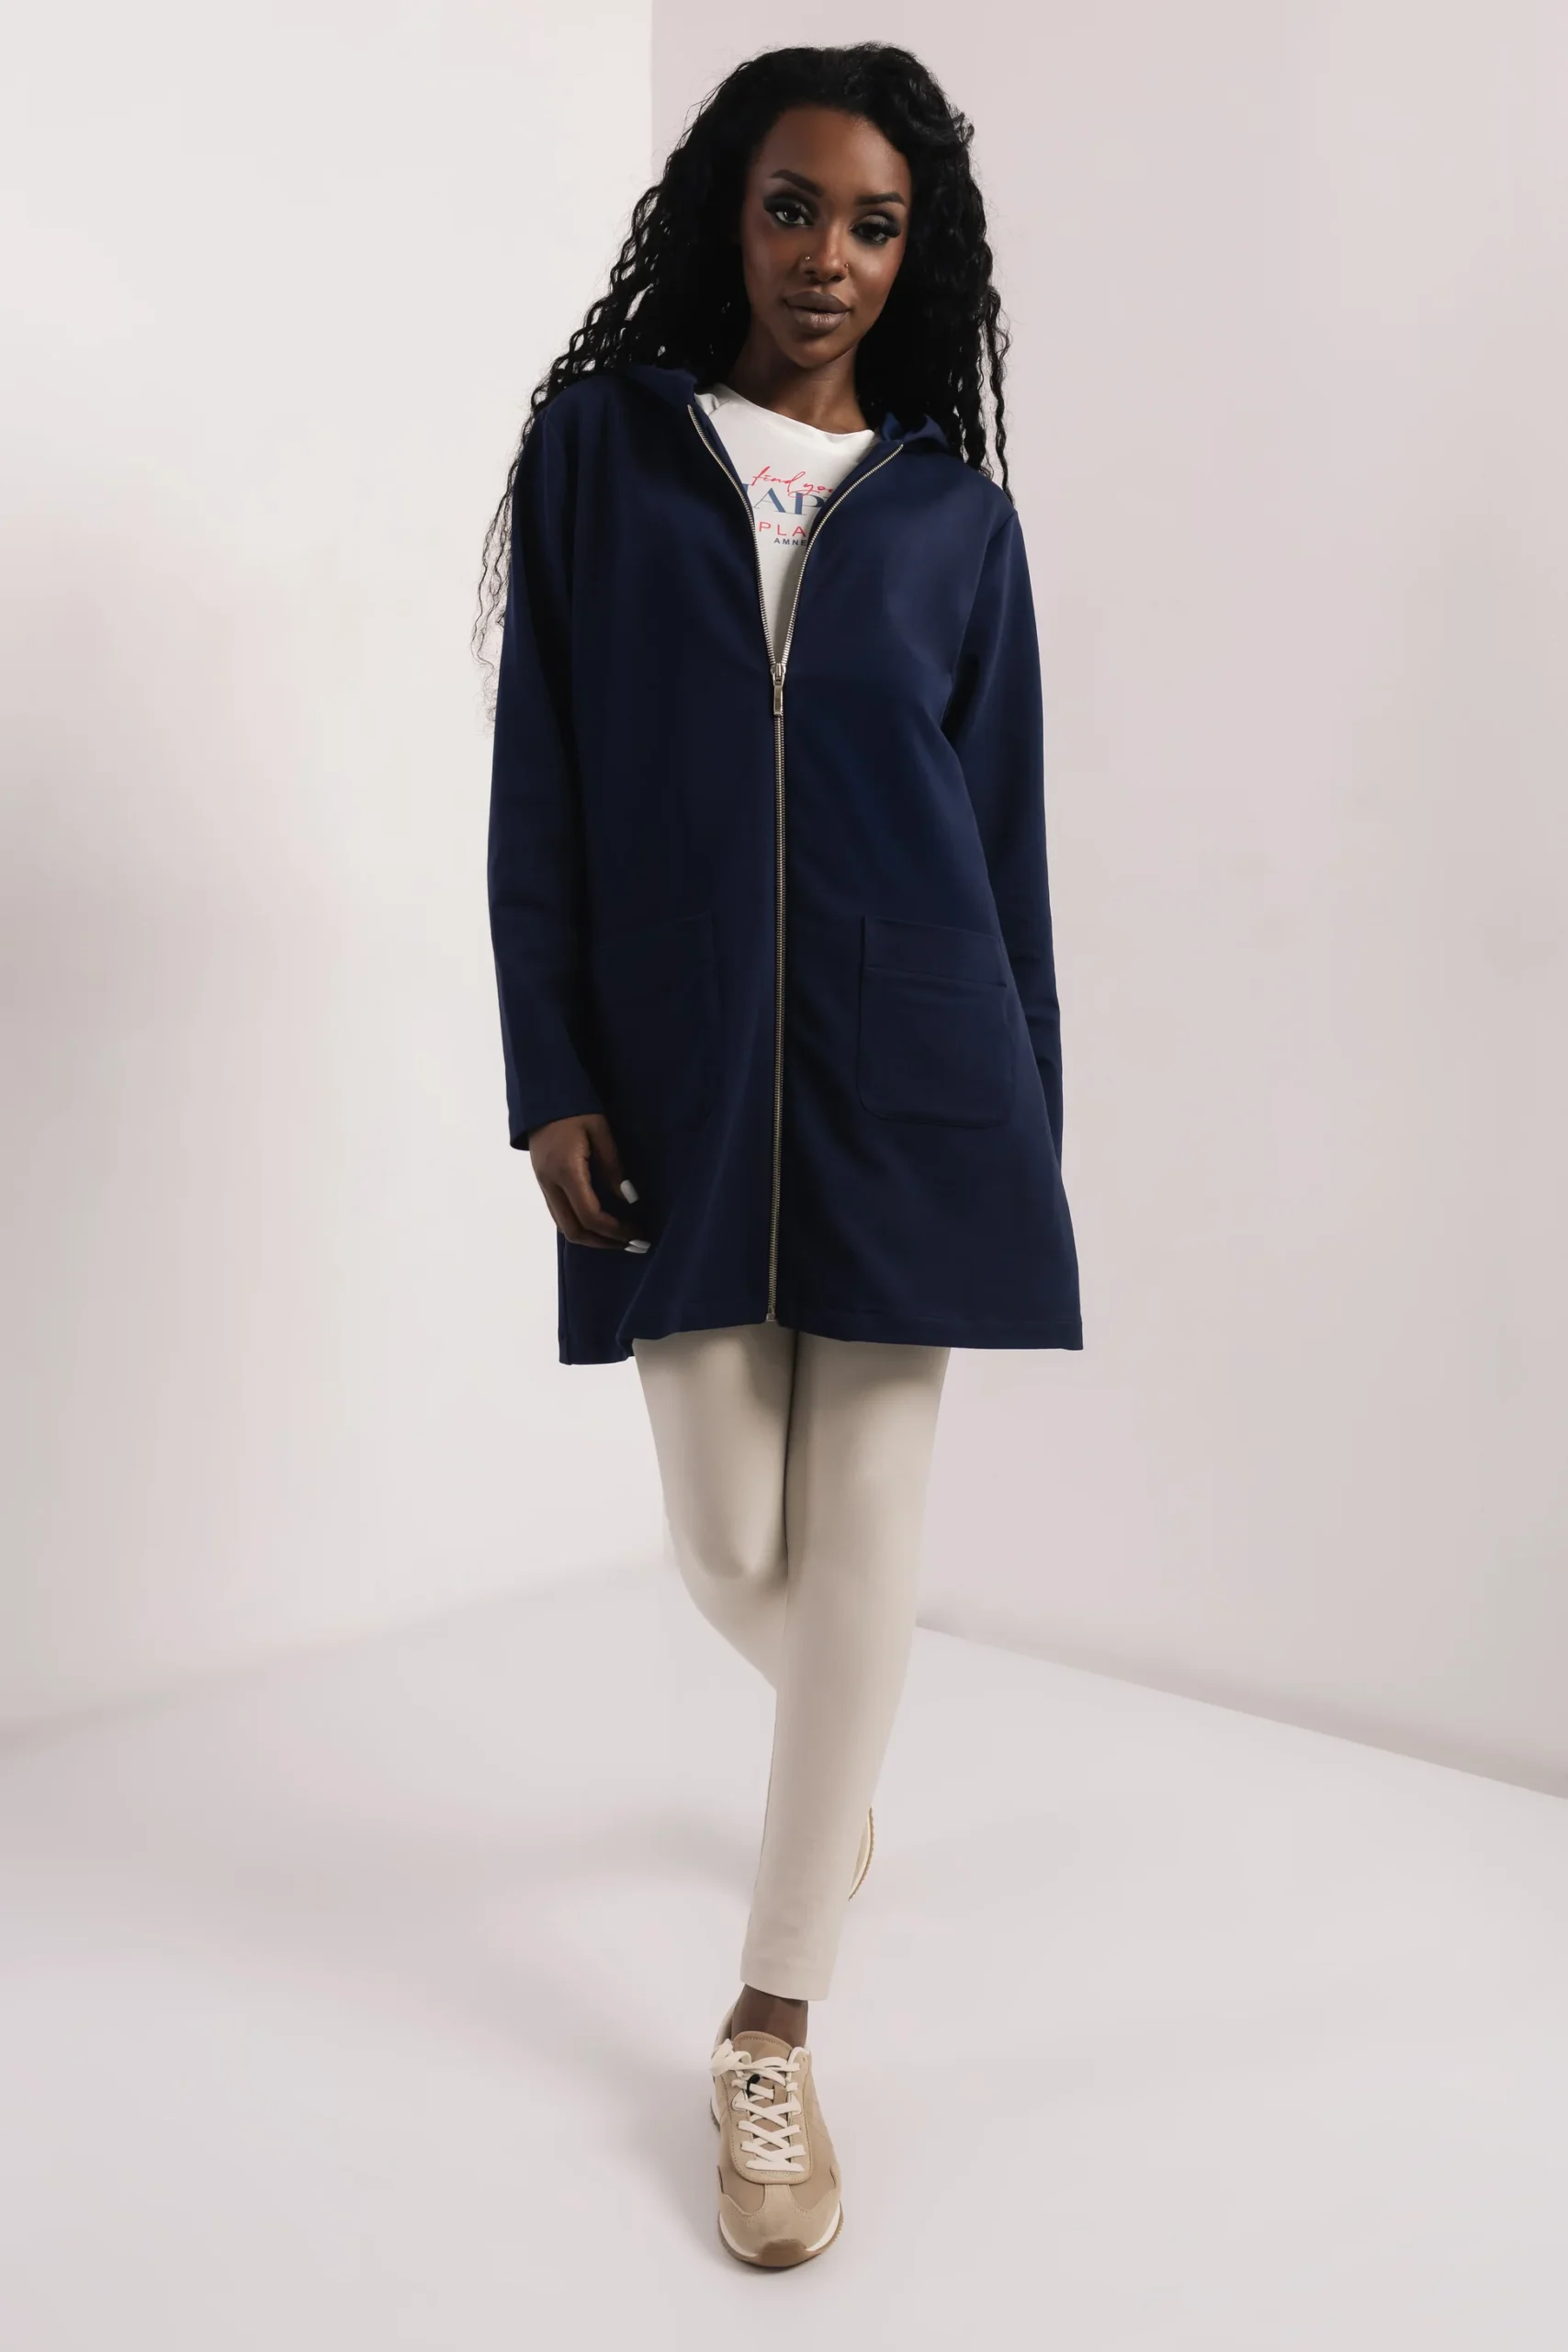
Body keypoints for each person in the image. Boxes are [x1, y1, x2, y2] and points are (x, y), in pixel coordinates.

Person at [478, 42, 1081, 2268]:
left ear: (918, 259)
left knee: (868, 1544)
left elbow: (1003, 853)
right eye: (792, 206)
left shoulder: (957, 525)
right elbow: (538, 779)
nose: (828, 255)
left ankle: (769, 2017)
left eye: (873, 224)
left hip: (919, 1081)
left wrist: (1027, 1127)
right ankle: (841, 1773)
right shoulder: (597, 455)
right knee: (733, 1541)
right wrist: (551, 1067)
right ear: (728, 215)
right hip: (678, 1078)